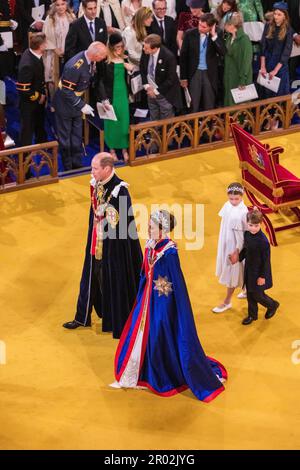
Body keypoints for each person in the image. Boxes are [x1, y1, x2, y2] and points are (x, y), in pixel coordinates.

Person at [110, 209, 227, 401]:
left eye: (152, 227)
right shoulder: (151, 244)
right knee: (140, 333)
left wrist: (164, 308)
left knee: (159, 332)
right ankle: (140, 371)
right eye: (149, 225)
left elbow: (174, 283)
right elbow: (146, 272)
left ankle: (161, 373)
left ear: (163, 229)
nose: (148, 229)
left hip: (163, 301)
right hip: (148, 298)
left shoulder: (169, 252)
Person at [63, 153, 143, 338]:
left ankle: (117, 320)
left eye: (95, 168)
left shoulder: (120, 191)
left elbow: (122, 227)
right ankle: (82, 317)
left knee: (112, 282)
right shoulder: (97, 183)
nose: (91, 172)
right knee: (89, 278)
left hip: (113, 248)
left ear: (107, 169)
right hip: (96, 241)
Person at [52, 41, 107, 170]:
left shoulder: (91, 61)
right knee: (65, 137)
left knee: (77, 135)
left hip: (76, 103)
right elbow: (66, 91)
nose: (104, 58)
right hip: (65, 104)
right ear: (95, 54)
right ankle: (68, 167)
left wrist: (104, 99)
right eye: (103, 55)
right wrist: (81, 105)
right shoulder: (75, 66)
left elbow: (95, 81)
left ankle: (77, 164)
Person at [230, 209, 280, 325]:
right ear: (247, 223)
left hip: (260, 272)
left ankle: (272, 305)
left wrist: (262, 276)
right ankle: (252, 315)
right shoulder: (247, 234)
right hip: (249, 269)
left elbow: (266, 261)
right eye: (250, 225)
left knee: (257, 294)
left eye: (256, 225)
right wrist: (238, 258)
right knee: (250, 294)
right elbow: (246, 250)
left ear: (261, 223)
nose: (253, 228)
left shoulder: (263, 241)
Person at [212, 182, 248, 314]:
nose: (233, 201)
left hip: (234, 247)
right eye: (231, 198)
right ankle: (246, 291)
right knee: (242, 270)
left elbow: (241, 236)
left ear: (242, 196)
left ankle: (227, 302)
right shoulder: (227, 205)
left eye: (236, 199)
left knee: (232, 272)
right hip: (226, 241)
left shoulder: (242, 213)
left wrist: (237, 252)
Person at [180, 12, 226, 112]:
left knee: (209, 104)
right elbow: (183, 57)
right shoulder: (189, 33)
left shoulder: (218, 33)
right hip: (194, 72)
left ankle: (208, 127)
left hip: (209, 74)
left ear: (211, 27)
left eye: (204, 27)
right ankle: (193, 126)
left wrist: (214, 36)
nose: (200, 28)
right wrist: (183, 77)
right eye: (199, 25)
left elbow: (223, 52)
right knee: (193, 105)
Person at [98, 33, 133, 162]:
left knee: (124, 120)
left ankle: (124, 148)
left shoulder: (125, 57)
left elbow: (132, 74)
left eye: (121, 46)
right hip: (110, 95)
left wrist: (128, 67)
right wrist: (104, 98)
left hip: (123, 93)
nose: (120, 49)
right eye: (117, 47)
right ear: (111, 47)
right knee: (112, 121)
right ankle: (112, 149)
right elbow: (99, 81)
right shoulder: (104, 59)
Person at [140, 34, 182, 120]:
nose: (144, 49)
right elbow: (142, 68)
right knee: (153, 118)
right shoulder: (145, 51)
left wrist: (155, 91)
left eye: (146, 48)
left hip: (165, 94)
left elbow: (170, 80)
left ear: (155, 48)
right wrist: (147, 86)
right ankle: (154, 133)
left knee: (166, 122)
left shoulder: (169, 57)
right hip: (150, 91)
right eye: (144, 46)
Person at [16, 32, 47, 147]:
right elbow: (23, 89)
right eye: (45, 43)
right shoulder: (27, 64)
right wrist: (39, 97)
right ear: (41, 46)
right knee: (27, 131)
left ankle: (42, 146)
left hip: (37, 100)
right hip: (29, 103)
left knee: (39, 124)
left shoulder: (32, 53)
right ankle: (25, 158)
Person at [42, 0, 76, 103]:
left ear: (66, 5)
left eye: (63, 4)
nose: (61, 7)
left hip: (69, 54)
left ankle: (67, 101)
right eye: (58, 5)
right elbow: (45, 37)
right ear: (54, 6)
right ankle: (54, 102)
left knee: (68, 78)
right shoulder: (50, 18)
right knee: (53, 79)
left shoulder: (72, 17)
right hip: (53, 53)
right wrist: (55, 49)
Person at [259, 2, 293, 99]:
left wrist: (275, 71)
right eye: (275, 14)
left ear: (285, 16)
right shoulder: (268, 26)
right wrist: (263, 66)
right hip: (267, 64)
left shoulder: (288, 30)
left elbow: (286, 54)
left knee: (279, 98)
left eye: (279, 14)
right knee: (265, 97)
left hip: (280, 68)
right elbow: (263, 46)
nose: (276, 17)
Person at [223, 12, 253, 106]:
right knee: (229, 104)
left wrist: (242, 80)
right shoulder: (229, 37)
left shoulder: (244, 40)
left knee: (239, 107)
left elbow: (246, 62)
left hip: (239, 79)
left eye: (225, 24)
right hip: (229, 77)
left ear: (231, 25)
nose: (224, 26)